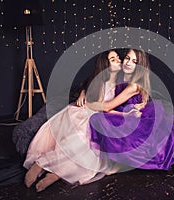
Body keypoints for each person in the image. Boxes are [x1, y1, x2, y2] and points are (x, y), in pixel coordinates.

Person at [23, 50, 122, 192]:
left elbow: (89, 85)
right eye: (113, 59)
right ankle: (40, 164)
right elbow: (102, 106)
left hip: (97, 114)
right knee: (80, 140)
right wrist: (84, 94)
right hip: (87, 112)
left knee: (88, 153)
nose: (118, 59)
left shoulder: (117, 80)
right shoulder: (102, 81)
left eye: (118, 57)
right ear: (106, 65)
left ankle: (55, 174)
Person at [87, 48, 174, 170]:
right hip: (124, 111)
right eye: (127, 58)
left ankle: (120, 165)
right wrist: (83, 92)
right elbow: (94, 79)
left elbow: (107, 107)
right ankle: (117, 161)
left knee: (99, 119)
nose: (128, 63)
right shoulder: (119, 75)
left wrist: (89, 104)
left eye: (134, 62)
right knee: (105, 120)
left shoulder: (133, 85)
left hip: (133, 116)